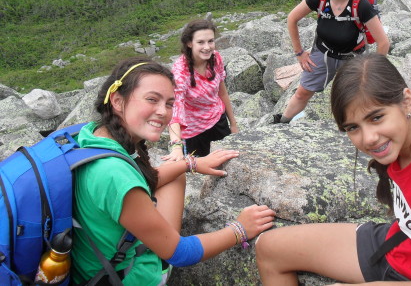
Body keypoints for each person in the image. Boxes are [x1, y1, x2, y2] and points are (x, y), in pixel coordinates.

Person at [257, 53, 411, 285]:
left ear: (407, 101)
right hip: (403, 241)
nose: (369, 139)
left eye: (376, 118)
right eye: (352, 127)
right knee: (268, 248)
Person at [72, 57, 275, 285]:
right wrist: (239, 229)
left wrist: (192, 164)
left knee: (176, 172)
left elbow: (144, 180)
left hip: (91, 266)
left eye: (169, 103)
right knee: (171, 239)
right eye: (152, 99)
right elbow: (180, 254)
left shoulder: (92, 134)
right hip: (127, 278)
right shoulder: (113, 174)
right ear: (117, 101)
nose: (163, 112)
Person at [274, 0, 390, 124]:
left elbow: (383, 42)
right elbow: (292, 18)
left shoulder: (361, 5)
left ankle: (356, 129)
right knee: (302, 93)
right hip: (322, 53)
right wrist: (299, 53)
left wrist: (373, 71)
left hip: (351, 59)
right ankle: (282, 122)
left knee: (353, 100)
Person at [163, 19, 238, 161]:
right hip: (194, 133)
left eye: (211, 41)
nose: (207, 47)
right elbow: (175, 109)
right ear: (189, 43)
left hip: (218, 121)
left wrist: (233, 124)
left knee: (228, 162)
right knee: (201, 173)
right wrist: (176, 146)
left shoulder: (215, 58)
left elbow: (222, 92)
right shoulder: (180, 72)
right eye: (201, 42)